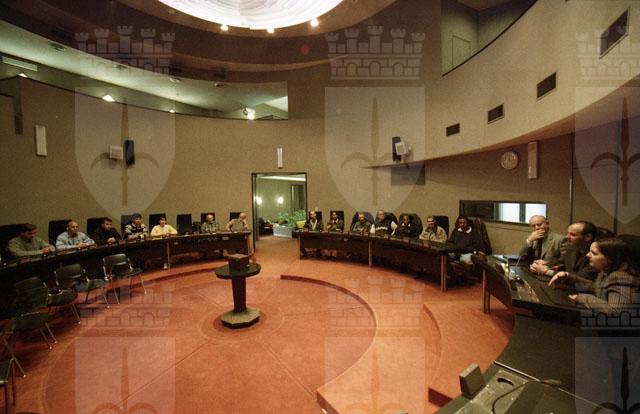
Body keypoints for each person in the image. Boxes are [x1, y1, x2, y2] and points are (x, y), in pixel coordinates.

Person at [549, 237, 640, 316]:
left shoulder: (622, 278)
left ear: (610, 259)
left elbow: (614, 311)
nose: (587, 255)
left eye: (594, 253)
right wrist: (567, 276)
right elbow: (596, 287)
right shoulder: (607, 270)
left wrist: (581, 298)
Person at [531, 221, 598, 280]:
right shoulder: (571, 247)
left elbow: (580, 278)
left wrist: (546, 271)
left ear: (588, 237)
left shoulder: (596, 255)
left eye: (572, 235)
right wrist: (544, 264)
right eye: (568, 233)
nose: (567, 237)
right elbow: (560, 262)